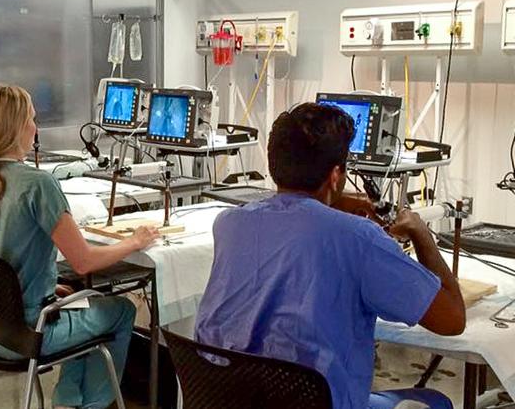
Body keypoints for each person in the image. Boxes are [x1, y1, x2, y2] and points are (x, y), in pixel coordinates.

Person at [195, 102, 466, 409]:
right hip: (316, 402)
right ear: (336, 175)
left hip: (234, 400)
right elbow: (452, 320)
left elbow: (292, 219)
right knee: (435, 401)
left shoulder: (229, 224)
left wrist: (334, 204)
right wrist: (421, 233)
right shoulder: (359, 239)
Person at [0, 84, 160, 409]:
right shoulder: (38, 184)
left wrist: (49, 286)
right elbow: (84, 262)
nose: (36, 129)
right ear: (16, 128)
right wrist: (135, 241)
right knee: (121, 311)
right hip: (26, 334)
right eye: (32, 120)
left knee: (80, 303)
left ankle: (68, 401)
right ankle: (91, 404)